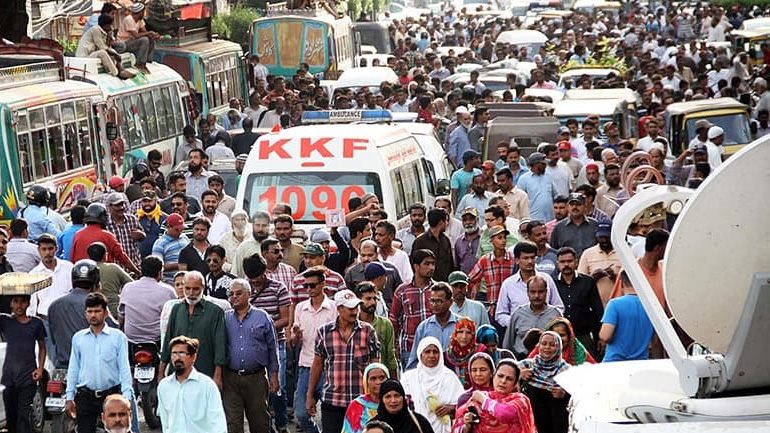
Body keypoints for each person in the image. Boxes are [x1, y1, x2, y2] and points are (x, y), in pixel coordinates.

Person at [306, 289, 380, 433]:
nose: (355, 312)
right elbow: (317, 365)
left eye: (356, 308)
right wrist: (310, 395)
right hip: (332, 400)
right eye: (350, 308)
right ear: (339, 308)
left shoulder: (368, 331)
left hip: (361, 400)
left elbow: (376, 367)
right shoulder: (324, 332)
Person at [65, 293, 133, 433]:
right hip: (85, 395)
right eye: (90, 312)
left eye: (97, 311)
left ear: (106, 313)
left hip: (111, 394)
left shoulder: (118, 337)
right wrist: (70, 395)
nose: (93, 315)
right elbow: (73, 368)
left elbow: (124, 367)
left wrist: (127, 397)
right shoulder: (78, 338)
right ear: (85, 314)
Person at [223, 278, 279, 433]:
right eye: (231, 294)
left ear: (249, 294)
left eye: (238, 293)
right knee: (232, 424)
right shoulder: (225, 318)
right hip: (230, 379)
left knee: (259, 422)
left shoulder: (262, 317)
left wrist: (274, 376)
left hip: (256, 378)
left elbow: (272, 348)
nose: (234, 297)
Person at [242, 253, 291, 433]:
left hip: (276, 344)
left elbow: (285, 319)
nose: (254, 283)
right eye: (251, 280)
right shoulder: (244, 289)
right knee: (259, 389)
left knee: (277, 386)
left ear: (265, 272)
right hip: (252, 346)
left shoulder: (279, 288)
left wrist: (263, 327)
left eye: (257, 279)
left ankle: (282, 423)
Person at [159, 271, 227, 387]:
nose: (191, 293)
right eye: (188, 288)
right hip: (178, 370)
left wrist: (218, 375)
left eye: (196, 289)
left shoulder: (215, 312)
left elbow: (220, 345)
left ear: (203, 287)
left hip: (205, 370)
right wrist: (161, 372)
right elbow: (168, 341)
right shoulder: (176, 309)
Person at [292, 266, 338, 433]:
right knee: (301, 413)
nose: (309, 290)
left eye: (313, 285)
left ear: (323, 284)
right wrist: (296, 334)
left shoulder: (334, 308)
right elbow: (294, 342)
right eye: (306, 286)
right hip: (306, 366)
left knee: (330, 417)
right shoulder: (300, 308)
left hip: (329, 368)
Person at [157, 336, 227, 433]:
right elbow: (165, 423)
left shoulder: (207, 385)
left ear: (193, 357)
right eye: (174, 353)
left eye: (182, 353)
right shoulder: (164, 386)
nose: (177, 358)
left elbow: (218, 422)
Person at [0, 293, 46, 433]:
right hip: (9, 377)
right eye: (16, 301)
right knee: (11, 417)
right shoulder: (5, 321)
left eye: (23, 302)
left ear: (28, 304)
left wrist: (40, 368)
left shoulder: (36, 323)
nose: (19, 305)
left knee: (23, 416)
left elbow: (42, 347)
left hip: (28, 376)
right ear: (11, 304)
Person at [454, 358, 536, 433]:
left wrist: (483, 400)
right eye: (500, 376)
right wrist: (467, 427)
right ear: (493, 376)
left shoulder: (520, 400)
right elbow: (457, 426)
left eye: (509, 379)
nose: (503, 381)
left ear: (515, 384)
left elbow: (504, 414)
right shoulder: (480, 398)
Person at [402, 336, 464, 433]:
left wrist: (451, 409)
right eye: (427, 352)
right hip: (415, 428)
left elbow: (463, 404)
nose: (431, 355)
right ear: (420, 354)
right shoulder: (409, 378)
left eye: (435, 352)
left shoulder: (449, 377)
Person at [495, 241, 563, 329]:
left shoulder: (546, 279)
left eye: (532, 257)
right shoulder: (508, 284)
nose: (530, 261)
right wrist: (517, 323)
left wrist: (549, 322)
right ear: (517, 260)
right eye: (525, 258)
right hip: (519, 334)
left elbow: (559, 307)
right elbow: (500, 314)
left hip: (545, 335)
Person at [554, 247, 603, 357]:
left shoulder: (587, 281)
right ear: (557, 263)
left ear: (576, 262)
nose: (566, 264)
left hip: (584, 335)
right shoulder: (553, 283)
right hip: (560, 337)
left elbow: (597, 310)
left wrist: (600, 337)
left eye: (569, 261)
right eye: (562, 262)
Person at [518, 331, 570, 433]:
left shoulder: (567, 371)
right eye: (544, 343)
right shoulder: (526, 366)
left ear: (559, 347)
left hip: (556, 424)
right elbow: (507, 383)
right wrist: (519, 376)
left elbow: (577, 398)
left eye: (552, 345)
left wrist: (564, 395)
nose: (547, 347)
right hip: (531, 422)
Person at [391, 249, 436, 366]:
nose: (431, 267)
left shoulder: (438, 290)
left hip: (434, 347)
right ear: (416, 266)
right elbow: (394, 320)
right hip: (409, 348)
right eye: (427, 264)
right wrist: (394, 346)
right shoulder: (402, 291)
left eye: (433, 264)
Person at [119, 256, 176, 345]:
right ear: (159, 273)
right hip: (157, 340)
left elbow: (121, 315)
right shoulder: (168, 291)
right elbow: (174, 317)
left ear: (141, 271)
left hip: (131, 339)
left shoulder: (128, 288)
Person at [70, 203, 140, 275]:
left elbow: (72, 258)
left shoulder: (77, 235)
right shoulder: (107, 236)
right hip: (104, 277)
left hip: (81, 276)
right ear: (103, 217)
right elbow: (123, 258)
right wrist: (137, 272)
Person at [600, 271, 655, 362]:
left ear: (621, 283)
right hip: (641, 363)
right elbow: (654, 341)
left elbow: (605, 336)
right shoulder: (651, 306)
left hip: (614, 362)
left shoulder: (614, 304)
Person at [502, 275, 562, 360]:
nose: (537, 296)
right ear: (527, 292)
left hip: (549, 362)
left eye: (541, 292)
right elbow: (508, 344)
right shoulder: (518, 314)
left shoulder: (555, 314)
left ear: (546, 292)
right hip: (522, 361)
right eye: (533, 292)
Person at [406, 282, 461, 370]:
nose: (434, 305)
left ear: (450, 302)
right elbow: (414, 359)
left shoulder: (461, 325)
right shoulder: (423, 327)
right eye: (432, 301)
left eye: (439, 301)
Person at [356, 282, 398, 378]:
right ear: (358, 300)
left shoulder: (385, 324)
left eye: (375, 299)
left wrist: (394, 382)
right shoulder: (353, 324)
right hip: (357, 378)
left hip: (380, 377)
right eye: (368, 299)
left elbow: (390, 356)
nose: (373, 302)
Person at [76, 14, 134, 79]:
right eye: (110, 25)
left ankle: (121, 69)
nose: (111, 27)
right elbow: (103, 48)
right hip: (84, 56)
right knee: (103, 53)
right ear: (106, 25)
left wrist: (109, 37)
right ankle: (117, 73)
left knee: (112, 51)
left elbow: (108, 46)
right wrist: (115, 55)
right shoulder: (96, 29)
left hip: (91, 54)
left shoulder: (103, 32)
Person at [342, 363, 389, 433]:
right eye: (373, 378)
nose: (378, 382)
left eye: (382, 378)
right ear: (366, 382)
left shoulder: (394, 403)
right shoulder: (356, 405)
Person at [549, 193, 599, 259]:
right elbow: (553, 250)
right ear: (567, 206)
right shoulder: (559, 228)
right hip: (567, 266)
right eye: (572, 204)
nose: (575, 207)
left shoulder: (594, 225)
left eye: (578, 204)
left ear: (584, 206)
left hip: (591, 264)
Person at [105, 192, 145, 272]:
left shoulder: (132, 219)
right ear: (109, 207)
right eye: (117, 205)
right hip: (116, 270)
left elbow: (143, 236)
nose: (121, 207)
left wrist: (141, 235)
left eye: (122, 204)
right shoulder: (105, 224)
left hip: (135, 267)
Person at [412, 208, 454, 282]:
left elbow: (450, 264)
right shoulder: (420, 241)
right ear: (441, 222)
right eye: (446, 221)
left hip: (445, 285)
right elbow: (413, 264)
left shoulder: (445, 240)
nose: (447, 224)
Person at [116, 2, 158, 74]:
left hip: (132, 41)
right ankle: (139, 63)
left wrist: (153, 35)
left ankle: (148, 61)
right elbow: (136, 35)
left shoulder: (140, 20)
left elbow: (145, 32)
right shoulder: (129, 19)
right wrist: (149, 33)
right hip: (124, 43)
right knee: (144, 40)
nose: (144, 14)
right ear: (140, 12)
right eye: (143, 12)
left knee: (150, 39)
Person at [445, 317, 486, 389]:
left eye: (468, 332)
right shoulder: (447, 355)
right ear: (455, 334)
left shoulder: (481, 352)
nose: (464, 336)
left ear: (473, 335)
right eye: (460, 332)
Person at [516, 152, 558, 222]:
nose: (545, 166)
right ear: (535, 164)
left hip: (550, 219)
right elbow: (519, 199)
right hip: (533, 219)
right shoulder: (524, 179)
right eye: (543, 164)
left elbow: (556, 195)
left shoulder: (548, 176)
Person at [152, 213, 190, 284]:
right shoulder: (159, 244)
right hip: (169, 281)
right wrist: (179, 265)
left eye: (181, 229)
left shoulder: (184, 238)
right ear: (169, 227)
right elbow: (158, 267)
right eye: (177, 230)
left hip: (187, 279)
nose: (180, 232)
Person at [232, 211, 271, 278]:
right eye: (257, 225)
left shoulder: (275, 245)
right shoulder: (244, 247)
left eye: (264, 225)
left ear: (269, 226)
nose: (260, 229)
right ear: (252, 225)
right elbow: (235, 274)